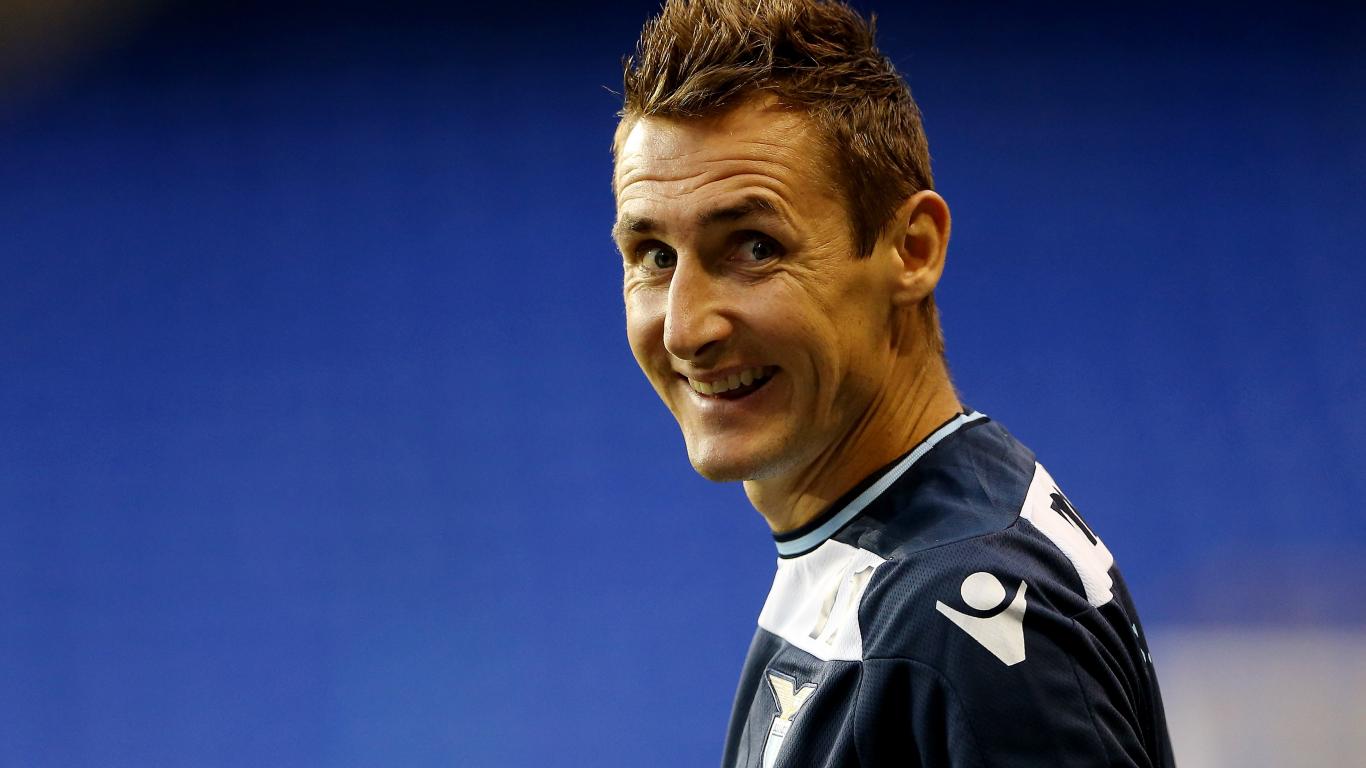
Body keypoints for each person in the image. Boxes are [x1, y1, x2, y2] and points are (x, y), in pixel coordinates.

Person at [610, 0, 1174, 765]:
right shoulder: (902, 549)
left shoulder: (959, 620)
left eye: (754, 246)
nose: (685, 329)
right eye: (654, 256)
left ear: (912, 249)